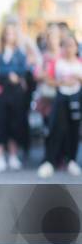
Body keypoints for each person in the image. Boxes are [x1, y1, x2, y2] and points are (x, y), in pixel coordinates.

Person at [37, 34, 82, 178]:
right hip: (61, 98)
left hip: (77, 98)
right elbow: (48, 80)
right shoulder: (57, 62)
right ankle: (50, 161)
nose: (69, 49)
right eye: (66, 45)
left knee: (74, 130)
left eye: (72, 45)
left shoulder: (80, 62)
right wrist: (62, 83)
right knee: (56, 128)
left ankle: (72, 160)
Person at [0, 23, 28, 172]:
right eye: (7, 33)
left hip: (15, 93)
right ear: (3, 35)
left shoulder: (20, 53)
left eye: (12, 33)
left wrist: (4, 72)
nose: (9, 36)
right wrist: (9, 73)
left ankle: (12, 155)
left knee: (14, 123)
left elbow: (24, 69)